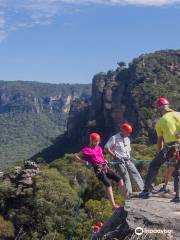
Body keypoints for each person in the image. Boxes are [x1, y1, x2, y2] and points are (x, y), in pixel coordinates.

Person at [139, 97, 180, 203]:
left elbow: (160, 141)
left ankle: (147, 190)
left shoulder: (161, 121)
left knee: (154, 165)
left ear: (160, 109)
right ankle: (178, 196)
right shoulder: (179, 114)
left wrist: (160, 154)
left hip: (171, 147)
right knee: (178, 170)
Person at [74, 132, 127, 210]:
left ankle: (126, 199)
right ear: (91, 141)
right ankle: (113, 205)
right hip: (98, 169)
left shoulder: (99, 148)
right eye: (95, 141)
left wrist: (104, 160)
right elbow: (76, 156)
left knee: (120, 179)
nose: (97, 143)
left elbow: (101, 156)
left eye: (98, 141)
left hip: (105, 166)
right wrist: (85, 162)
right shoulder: (86, 149)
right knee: (108, 184)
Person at [104, 123, 144, 199]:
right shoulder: (114, 138)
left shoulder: (127, 139)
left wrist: (130, 158)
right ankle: (129, 195)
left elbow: (128, 151)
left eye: (129, 133)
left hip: (127, 159)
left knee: (135, 173)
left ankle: (144, 189)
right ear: (123, 130)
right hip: (118, 161)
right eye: (127, 132)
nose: (128, 134)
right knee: (126, 177)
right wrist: (114, 156)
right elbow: (106, 148)